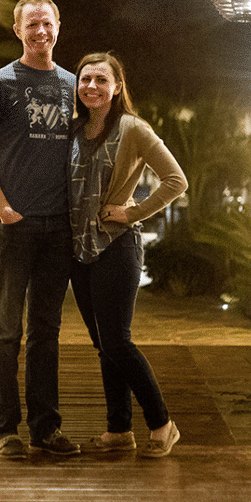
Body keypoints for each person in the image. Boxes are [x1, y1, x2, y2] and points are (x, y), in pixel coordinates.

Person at [0, 0, 80, 459]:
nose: (40, 32)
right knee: (6, 331)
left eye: (47, 24)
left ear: (58, 26)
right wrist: (3, 209)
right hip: (14, 226)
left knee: (46, 332)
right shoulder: (0, 83)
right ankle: (4, 430)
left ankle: (46, 428)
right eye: (31, 25)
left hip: (59, 227)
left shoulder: (76, 85)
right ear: (18, 31)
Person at [68, 52, 187, 458]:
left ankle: (162, 423)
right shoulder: (74, 129)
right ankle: (119, 429)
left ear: (117, 87)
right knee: (103, 343)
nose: (92, 87)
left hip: (117, 247)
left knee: (117, 341)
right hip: (80, 252)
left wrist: (132, 212)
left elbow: (176, 180)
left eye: (102, 80)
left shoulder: (132, 129)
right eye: (86, 79)